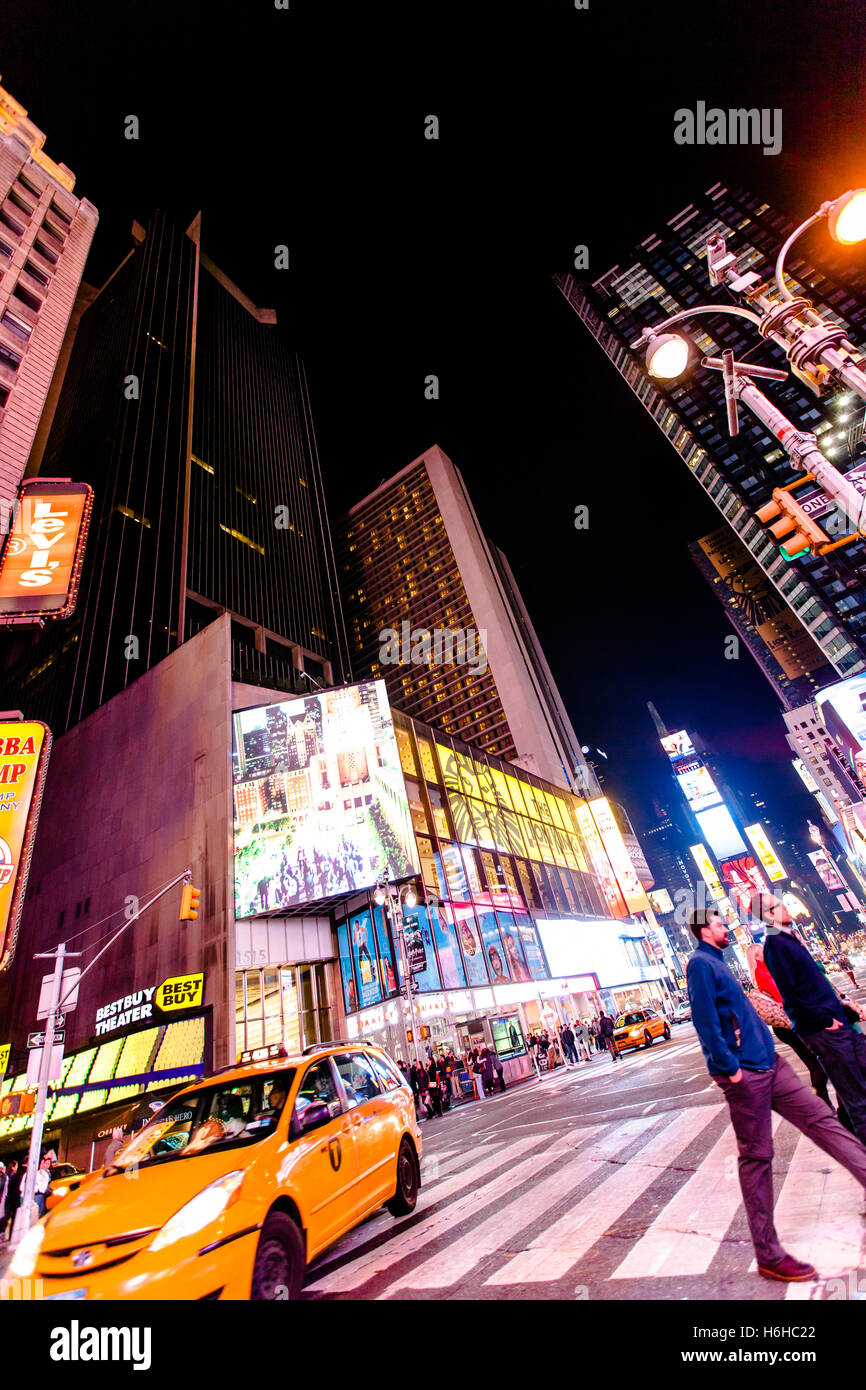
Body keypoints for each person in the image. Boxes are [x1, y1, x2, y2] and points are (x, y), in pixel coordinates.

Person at [687, 906, 866, 1283]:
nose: (726, 928)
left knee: (823, 1120)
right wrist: (728, 1068)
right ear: (706, 930)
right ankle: (768, 1254)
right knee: (757, 1158)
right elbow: (705, 1020)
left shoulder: (718, 961)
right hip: (745, 1075)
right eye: (720, 924)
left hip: (770, 1065)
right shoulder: (700, 964)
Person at [755, 891, 866, 1148]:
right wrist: (825, 1020)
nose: (787, 907)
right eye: (780, 905)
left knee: (858, 1084)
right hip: (825, 1029)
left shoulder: (788, 938)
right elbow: (791, 994)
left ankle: (847, 1127)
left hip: (837, 1021)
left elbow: (812, 983)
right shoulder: (776, 944)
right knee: (856, 1096)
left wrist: (842, 1004)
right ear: (770, 914)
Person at [3, 1160, 20, 1239]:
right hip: (12, 1199)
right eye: (16, 1166)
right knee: (10, 1217)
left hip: (8, 1199)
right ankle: (8, 1235)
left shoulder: (7, 1175)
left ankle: (4, 1233)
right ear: (13, 1167)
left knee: (6, 1217)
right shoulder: (14, 1176)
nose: (17, 1167)